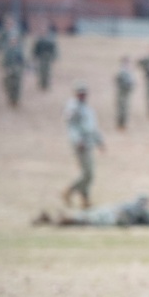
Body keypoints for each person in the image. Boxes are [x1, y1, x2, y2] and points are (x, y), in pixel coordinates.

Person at [62, 81, 105, 209]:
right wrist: (77, 141)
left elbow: (93, 127)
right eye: (80, 93)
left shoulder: (87, 108)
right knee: (88, 173)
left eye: (84, 93)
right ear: (76, 94)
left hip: (89, 142)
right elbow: (71, 127)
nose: (82, 95)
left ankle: (85, 199)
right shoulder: (73, 108)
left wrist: (99, 141)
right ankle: (70, 191)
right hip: (81, 144)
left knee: (87, 173)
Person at [33, 194, 149, 227]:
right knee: (88, 221)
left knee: (85, 215)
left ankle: (50, 219)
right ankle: (62, 220)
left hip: (110, 209)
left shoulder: (129, 204)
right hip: (114, 217)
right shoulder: (140, 208)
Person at [1, 32, 25, 108]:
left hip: (17, 71)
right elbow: (4, 62)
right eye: (11, 40)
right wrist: (5, 69)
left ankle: (15, 100)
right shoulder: (7, 51)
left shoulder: (19, 51)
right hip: (9, 70)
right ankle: (10, 99)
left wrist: (21, 69)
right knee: (9, 85)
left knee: (17, 86)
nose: (13, 42)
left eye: (14, 40)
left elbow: (22, 61)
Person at [32, 25, 58, 91]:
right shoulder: (39, 39)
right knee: (41, 72)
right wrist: (34, 57)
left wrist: (54, 57)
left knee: (47, 72)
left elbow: (53, 49)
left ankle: (46, 85)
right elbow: (35, 49)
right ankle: (41, 85)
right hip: (41, 57)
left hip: (48, 58)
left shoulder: (50, 39)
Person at [114, 56, 134, 130]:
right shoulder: (121, 71)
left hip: (126, 93)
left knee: (125, 109)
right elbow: (118, 81)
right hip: (122, 92)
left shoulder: (129, 71)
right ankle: (120, 124)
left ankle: (123, 124)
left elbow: (132, 82)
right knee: (121, 109)